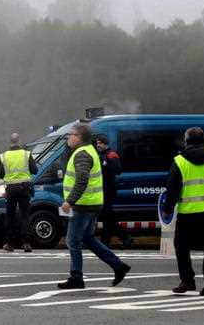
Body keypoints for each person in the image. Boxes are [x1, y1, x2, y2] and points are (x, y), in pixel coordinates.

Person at [58, 124, 130, 289]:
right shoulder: (90, 150)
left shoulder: (82, 154)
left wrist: (70, 201)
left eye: (71, 134)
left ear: (79, 137)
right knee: (88, 238)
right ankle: (118, 266)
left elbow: (82, 179)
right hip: (93, 202)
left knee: (72, 241)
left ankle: (76, 277)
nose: (69, 137)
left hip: (83, 204)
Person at [163, 127, 204, 296]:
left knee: (181, 247)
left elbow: (172, 188)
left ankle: (187, 280)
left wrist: (168, 208)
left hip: (188, 213)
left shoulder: (179, 161)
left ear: (186, 140)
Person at [0, 132, 37, 252]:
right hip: (25, 188)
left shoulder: (3, 156)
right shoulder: (26, 154)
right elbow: (35, 170)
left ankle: (10, 243)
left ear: (10, 142)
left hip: (10, 189)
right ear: (19, 141)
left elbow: (1, 174)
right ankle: (26, 243)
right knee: (25, 216)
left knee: (10, 216)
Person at [95, 135, 132, 248]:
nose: (98, 145)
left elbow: (118, 170)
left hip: (108, 190)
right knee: (107, 218)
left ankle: (121, 238)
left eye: (100, 143)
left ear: (105, 144)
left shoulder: (111, 154)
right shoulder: (100, 155)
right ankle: (110, 240)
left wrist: (106, 164)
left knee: (107, 217)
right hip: (102, 190)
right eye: (97, 143)